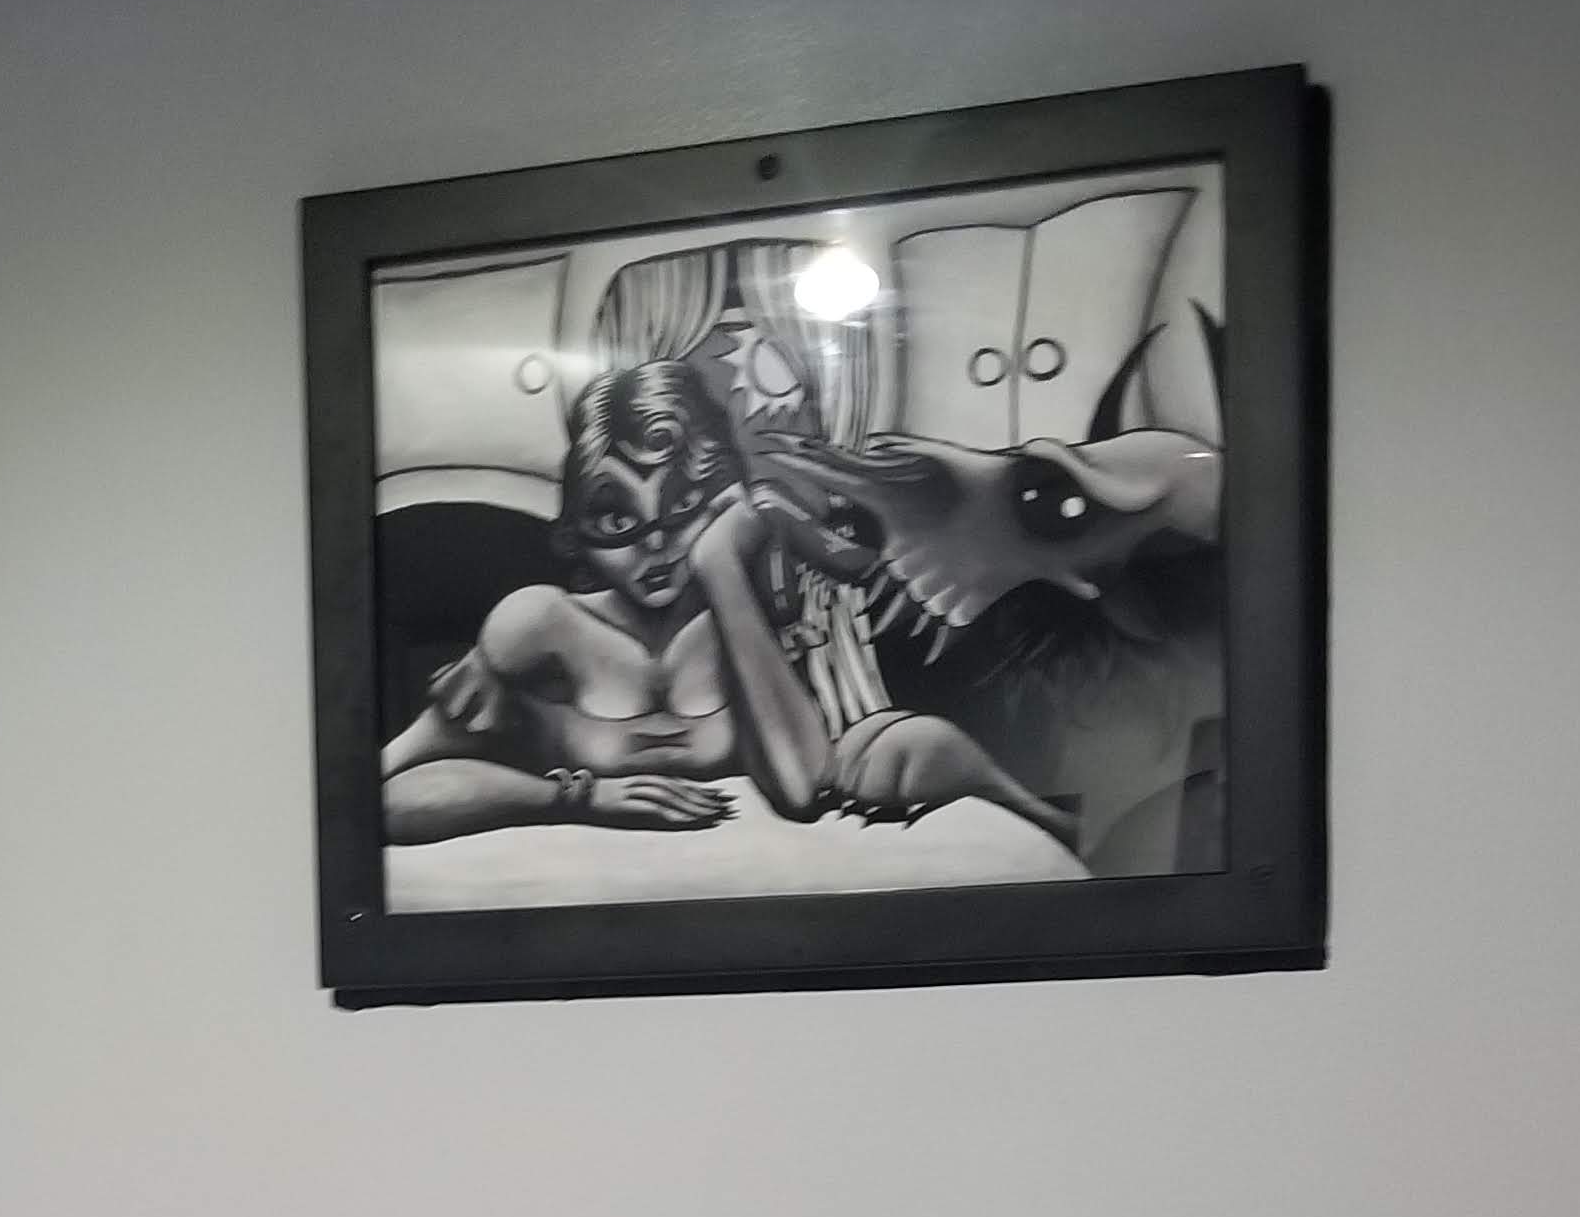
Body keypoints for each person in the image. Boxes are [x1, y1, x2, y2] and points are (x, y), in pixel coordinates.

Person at [380, 357, 1070, 850]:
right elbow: (380, 800)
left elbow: (799, 790)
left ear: (725, 501)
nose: (656, 545)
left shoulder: (745, 618)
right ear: (574, 534)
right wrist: (578, 797)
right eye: (618, 520)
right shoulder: (539, 625)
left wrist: (720, 565)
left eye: (683, 507)